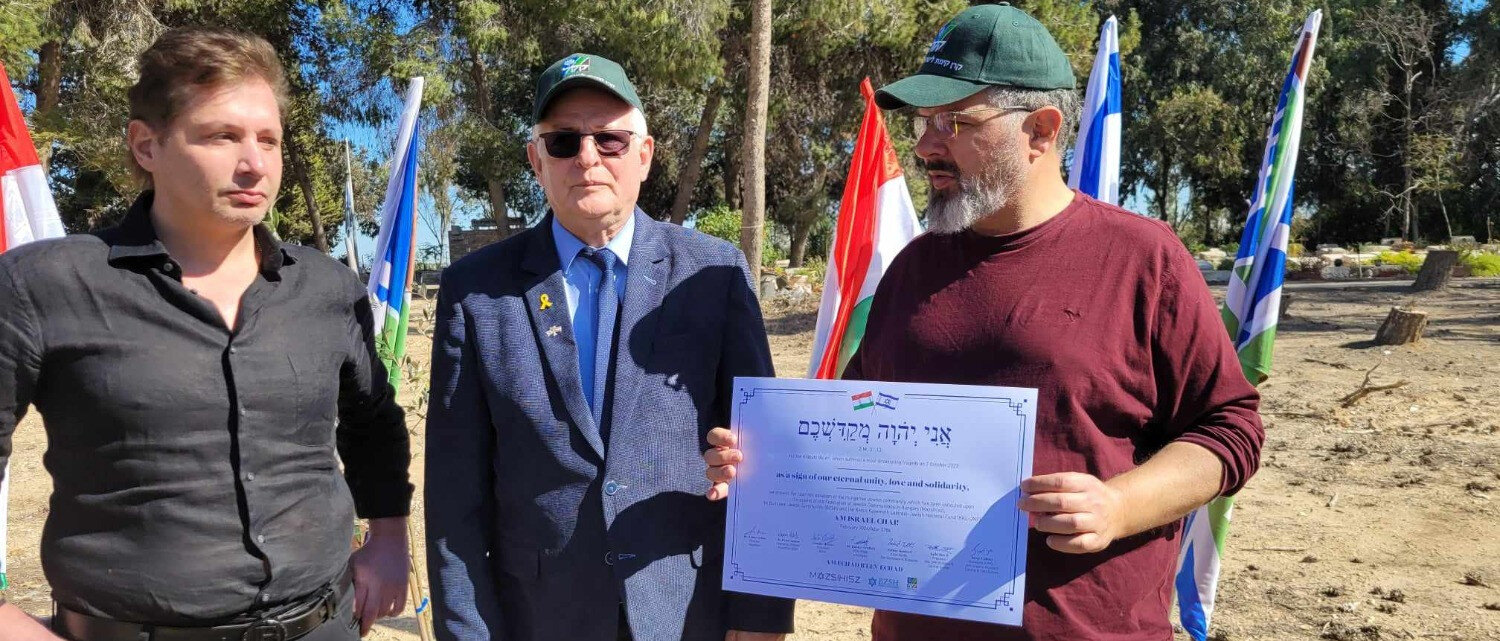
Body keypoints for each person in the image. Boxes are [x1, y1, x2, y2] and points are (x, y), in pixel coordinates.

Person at [702, 4, 1265, 640]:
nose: (925, 147)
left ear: (1041, 130)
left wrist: (1119, 505)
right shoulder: (913, 267)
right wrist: (767, 462)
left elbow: (1231, 428)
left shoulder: (1142, 258)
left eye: (955, 122)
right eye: (923, 122)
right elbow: (858, 426)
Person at [0, 28, 412, 641]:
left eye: (268, 140)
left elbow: (373, 422)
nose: (254, 164)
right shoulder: (46, 284)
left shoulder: (327, 289)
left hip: (323, 624)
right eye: (222, 136)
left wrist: (389, 536)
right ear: (146, 145)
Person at [424, 53, 794, 641]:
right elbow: (454, 492)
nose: (588, 157)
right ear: (536, 160)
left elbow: (763, 458)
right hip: (542, 616)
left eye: (610, 139)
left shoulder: (714, 273)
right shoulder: (477, 291)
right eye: (564, 141)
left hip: (684, 608)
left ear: (643, 155)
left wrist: (762, 616)